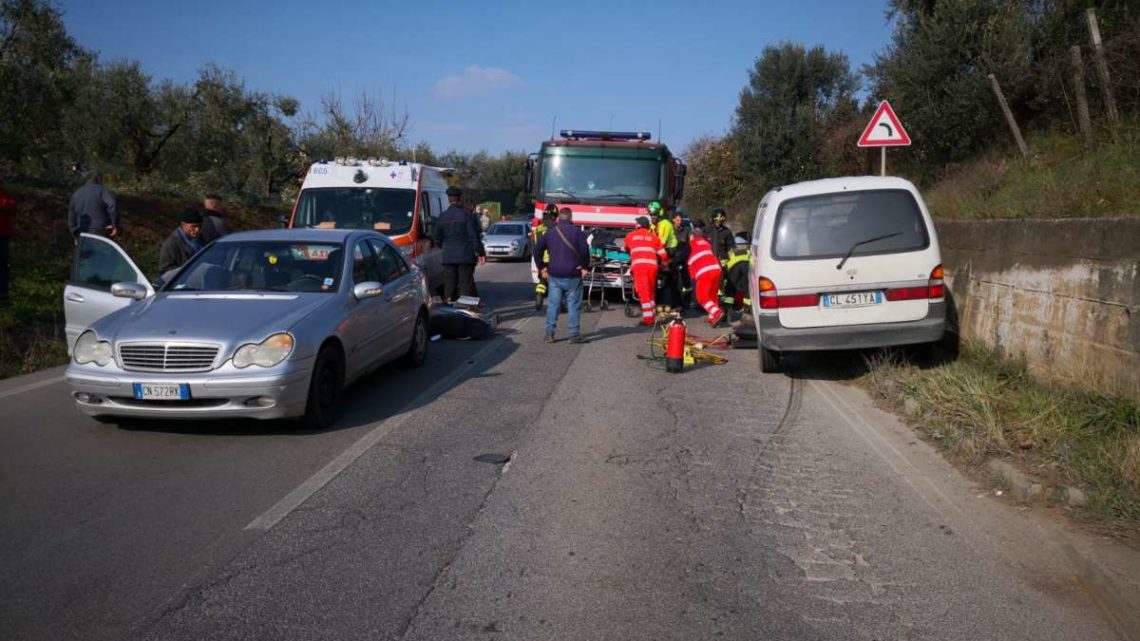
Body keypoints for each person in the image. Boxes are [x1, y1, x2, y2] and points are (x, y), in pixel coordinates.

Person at [534, 207, 590, 343]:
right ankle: (574, 335)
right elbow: (584, 252)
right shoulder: (579, 233)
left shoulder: (550, 233)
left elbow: (537, 250)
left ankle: (549, 334)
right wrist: (584, 267)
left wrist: (542, 267)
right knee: (574, 305)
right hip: (573, 273)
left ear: (558, 218)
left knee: (553, 305)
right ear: (571, 218)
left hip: (555, 274)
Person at [432, 186, 485, 303]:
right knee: (465, 286)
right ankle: (464, 311)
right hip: (466, 257)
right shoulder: (467, 215)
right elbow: (474, 236)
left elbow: (437, 238)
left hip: (448, 257)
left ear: (449, 199)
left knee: (449, 286)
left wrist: (446, 247)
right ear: (459, 198)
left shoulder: (442, 216)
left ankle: (448, 308)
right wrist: (480, 252)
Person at [623, 216, 667, 327]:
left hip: (639, 267)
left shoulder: (630, 236)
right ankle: (652, 314)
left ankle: (648, 319)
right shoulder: (653, 237)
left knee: (643, 293)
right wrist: (664, 263)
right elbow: (663, 254)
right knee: (651, 291)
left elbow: (626, 249)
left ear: (638, 225)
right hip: (653, 267)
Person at [687, 223, 726, 326]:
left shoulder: (692, 245)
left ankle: (717, 313)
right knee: (712, 295)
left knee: (702, 297)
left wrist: (693, 276)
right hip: (716, 270)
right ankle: (712, 317)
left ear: (692, 236)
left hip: (705, 272)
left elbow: (690, 262)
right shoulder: (706, 243)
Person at [68, 170, 119, 240]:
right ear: (99, 179)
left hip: (81, 231)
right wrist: (114, 223)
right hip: (99, 230)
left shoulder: (76, 193)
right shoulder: (103, 191)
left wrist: (74, 232)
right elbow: (112, 205)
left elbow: (71, 214)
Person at [159, 210, 205, 281]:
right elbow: (164, 270)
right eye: (193, 226)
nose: (197, 229)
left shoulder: (201, 240)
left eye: (199, 226)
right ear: (183, 225)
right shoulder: (171, 243)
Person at [532, 203, 557, 310]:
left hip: (541, 259)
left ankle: (539, 295)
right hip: (553, 258)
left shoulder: (538, 228)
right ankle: (560, 304)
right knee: (556, 282)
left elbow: (534, 243)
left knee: (542, 280)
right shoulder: (556, 228)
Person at [723, 234, 753, 314]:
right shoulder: (749, 252)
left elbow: (726, 265)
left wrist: (725, 277)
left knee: (730, 289)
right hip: (746, 266)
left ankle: (726, 310)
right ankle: (747, 310)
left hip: (733, 268)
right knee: (747, 289)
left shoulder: (732, 254)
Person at [0, 183, 14, 301]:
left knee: (2, 266)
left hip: (2, 236)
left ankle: (3, 293)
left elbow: (11, 205)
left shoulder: (3, 194)